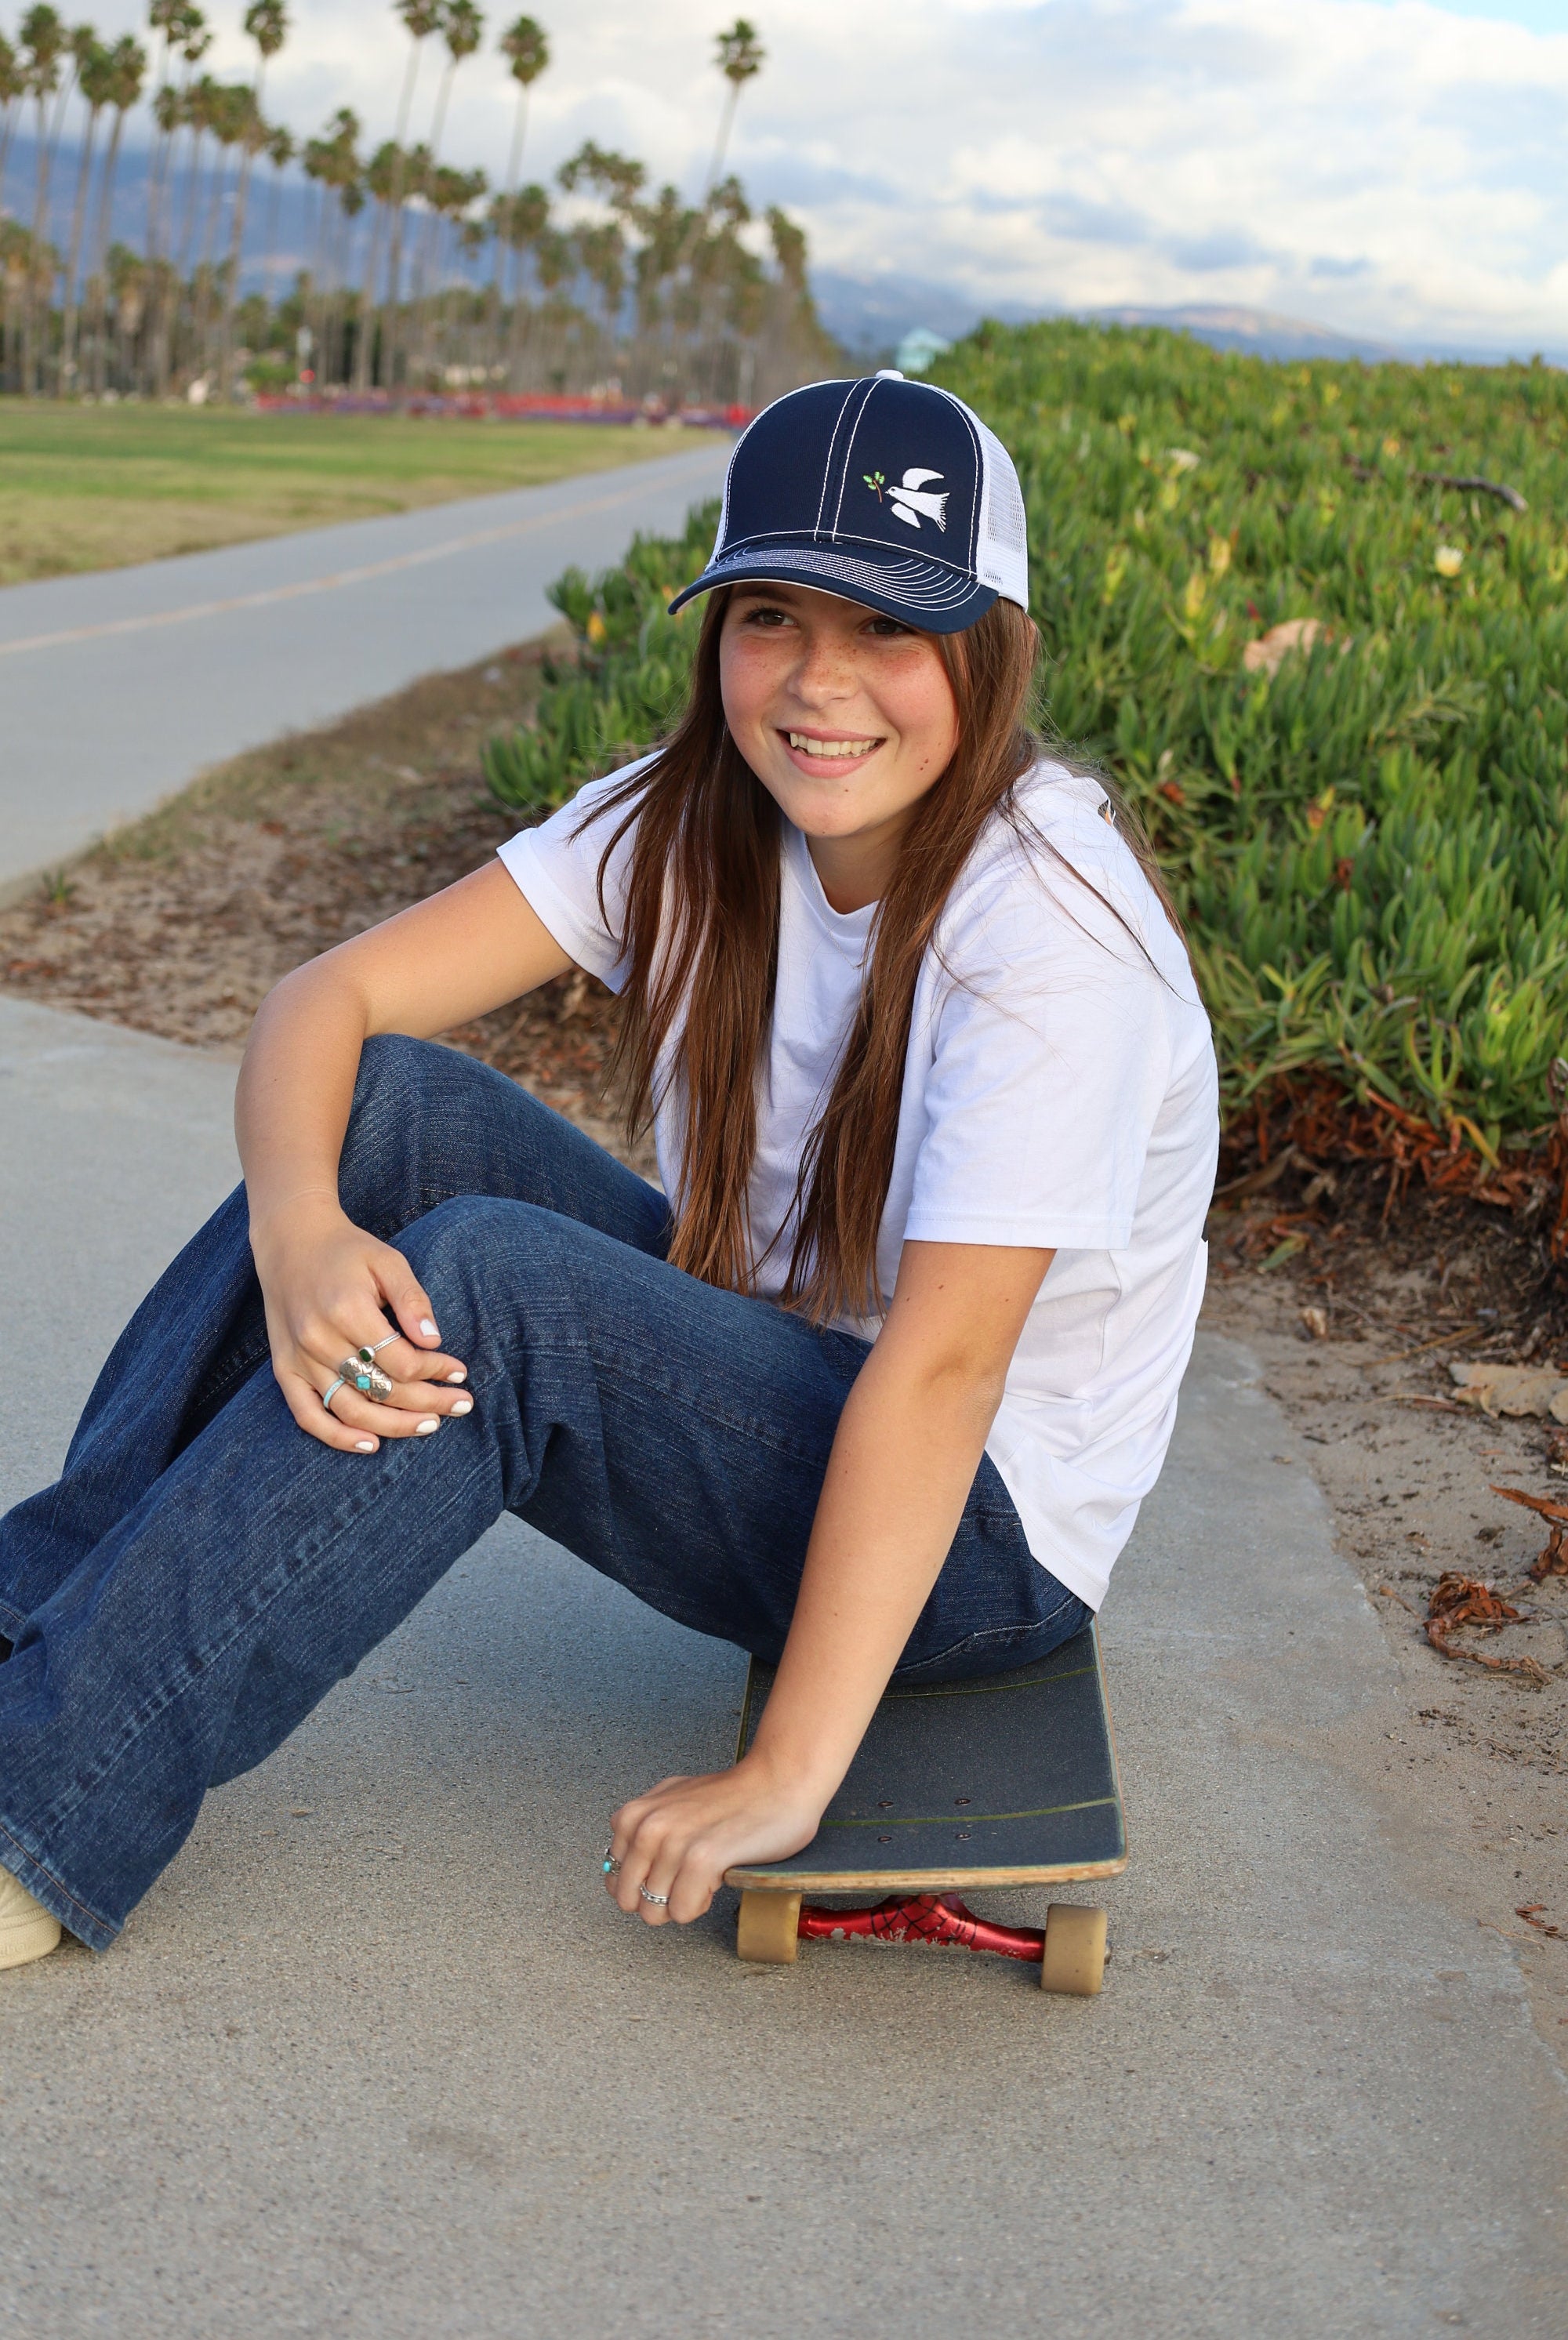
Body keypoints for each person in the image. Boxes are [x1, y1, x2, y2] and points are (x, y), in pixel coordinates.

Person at [0, 372, 1218, 1974]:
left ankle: (45, 1802)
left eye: (886, 628)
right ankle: (35, 1616)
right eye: (772, 615)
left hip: (978, 1536)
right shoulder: (702, 821)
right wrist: (303, 1226)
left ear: (993, 647)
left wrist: (789, 1769)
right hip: (792, 1373)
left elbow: (938, 1376)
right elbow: (330, 1000)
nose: (818, 683)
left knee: (500, 1287)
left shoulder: (1049, 933)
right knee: (390, 1110)